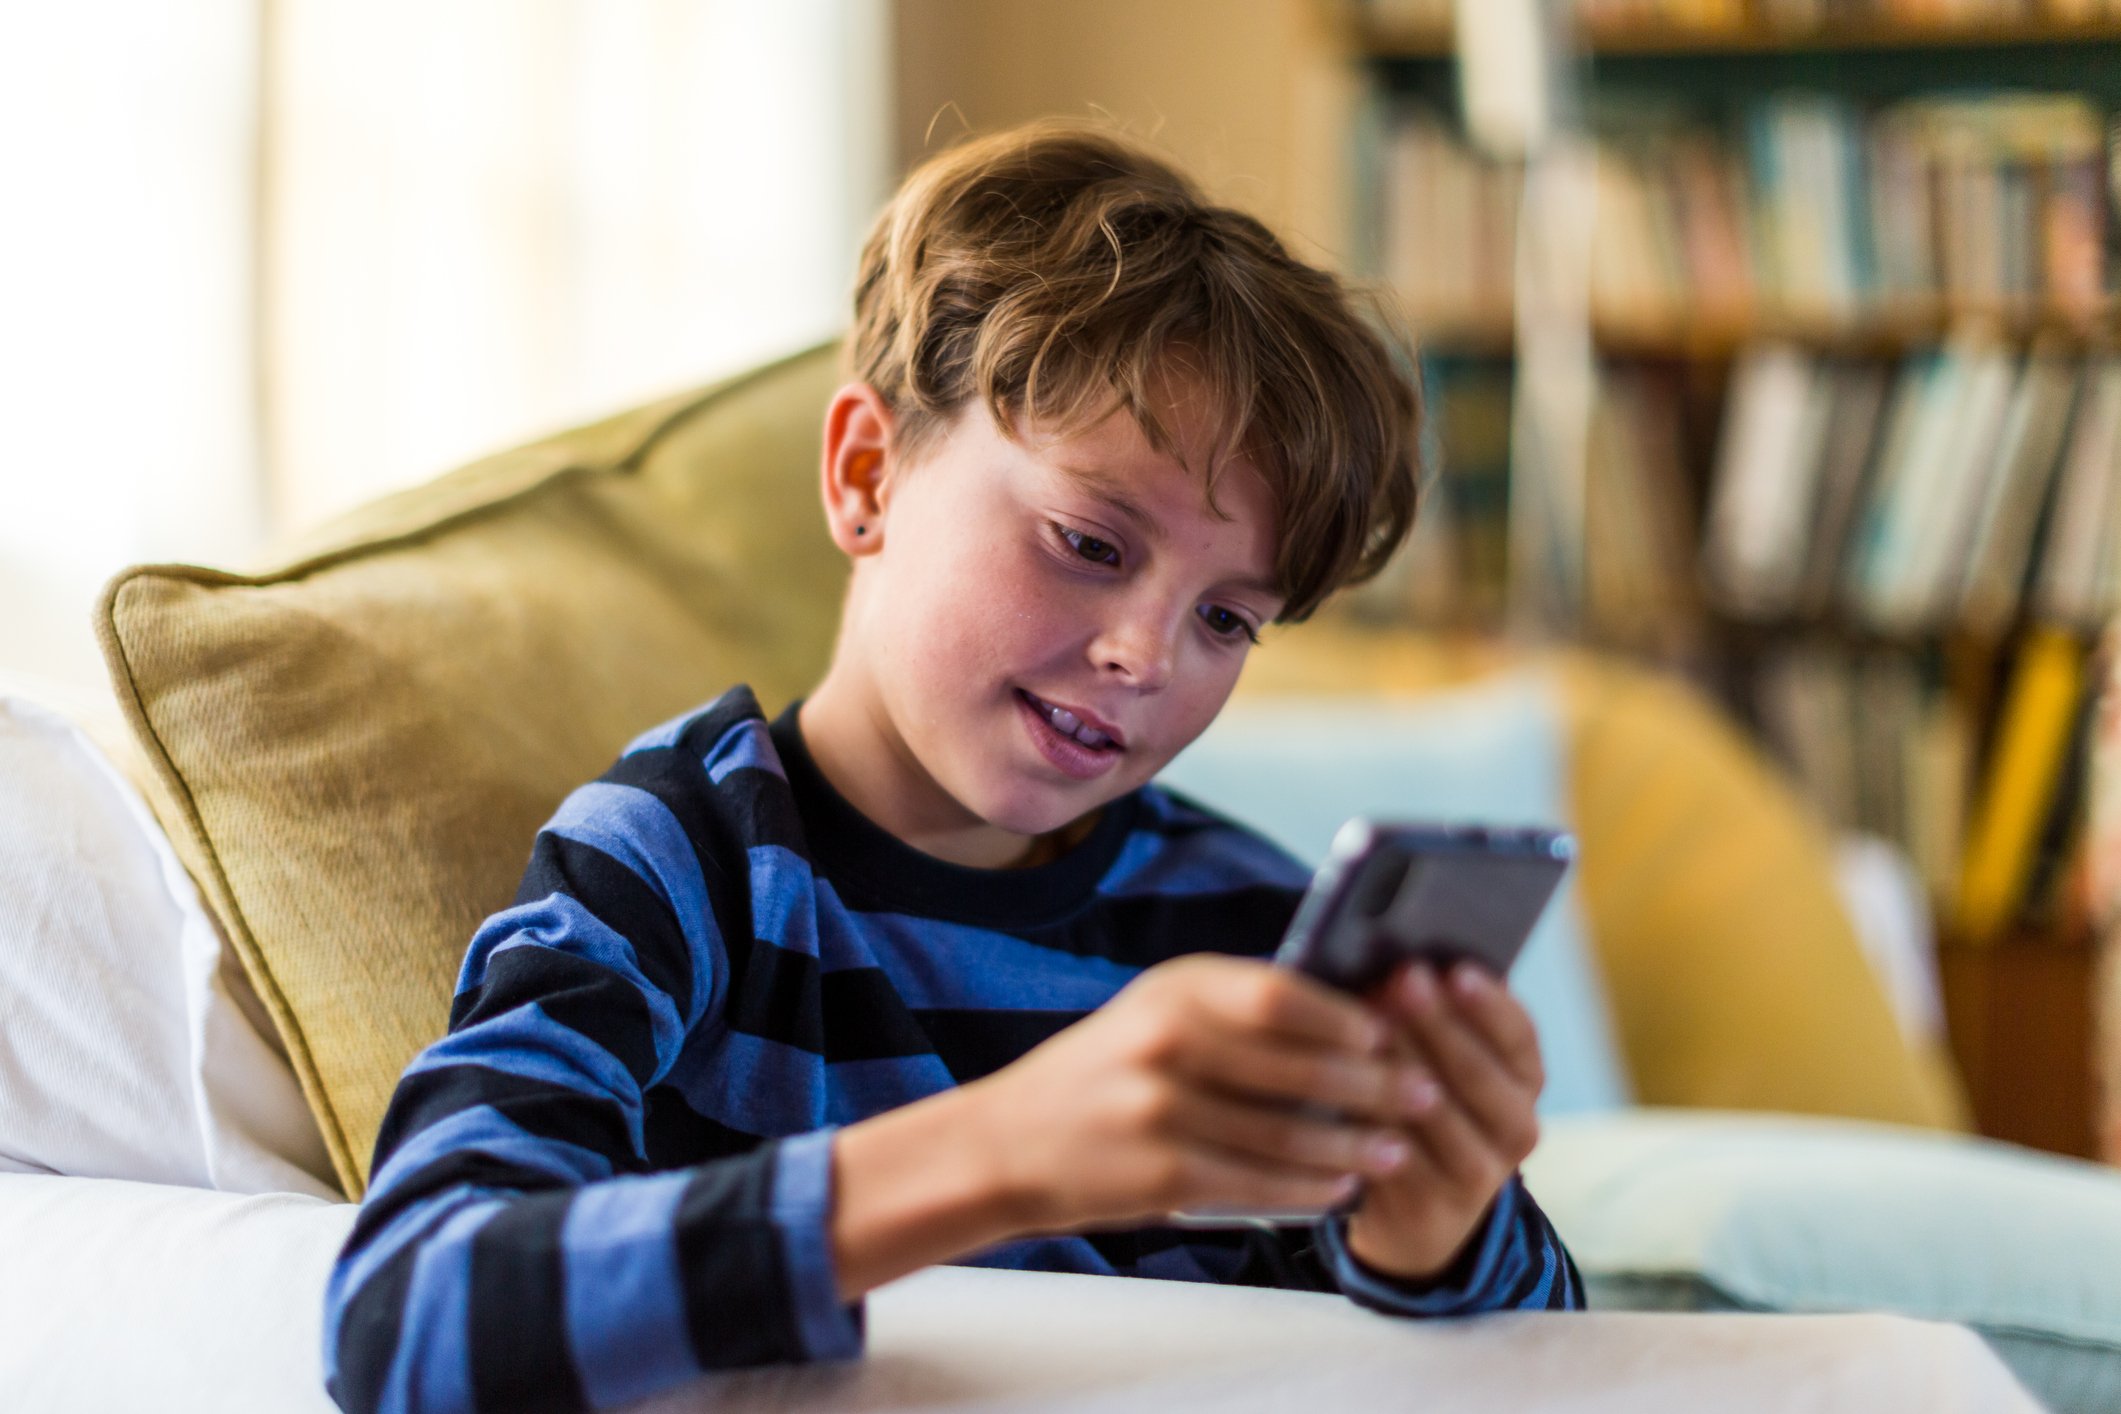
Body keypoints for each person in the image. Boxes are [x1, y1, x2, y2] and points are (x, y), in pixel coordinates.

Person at [324, 119, 1582, 1414]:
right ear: (868, 474)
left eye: (1226, 617)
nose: (1146, 655)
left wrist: (1433, 1236)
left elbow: (1556, 1356)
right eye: (1088, 542)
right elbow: (403, 1317)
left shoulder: (1244, 927)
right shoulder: (685, 860)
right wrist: (1001, 1154)